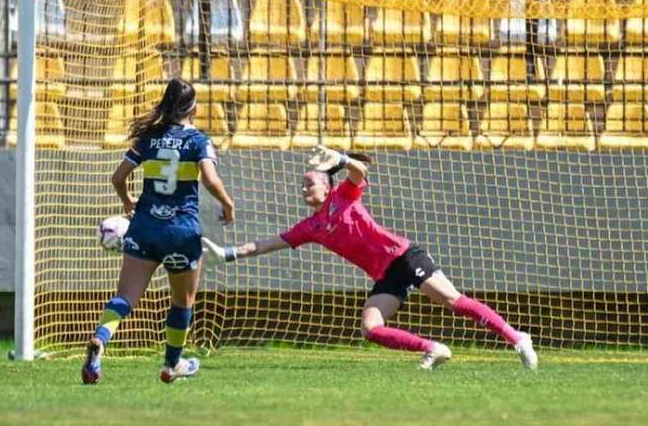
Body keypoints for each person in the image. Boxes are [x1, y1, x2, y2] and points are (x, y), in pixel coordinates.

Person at [203, 145, 537, 370]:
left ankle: (517, 338)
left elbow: (359, 172)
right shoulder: (311, 226)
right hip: (385, 274)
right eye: (302, 186)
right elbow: (265, 244)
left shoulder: (343, 195)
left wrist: (342, 158)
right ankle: (434, 348)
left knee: (452, 300)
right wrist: (226, 254)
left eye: (309, 183)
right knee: (370, 327)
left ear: (326, 184)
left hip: (405, 256)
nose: (303, 189)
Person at [82, 78, 235, 384]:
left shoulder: (148, 138)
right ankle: (171, 365)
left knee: (125, 297)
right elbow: (209, 178)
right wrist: (228, 204)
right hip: (181, 230)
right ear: (193, 107)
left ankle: (101, 337)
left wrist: (128, 202)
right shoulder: (198, 140)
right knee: (182, 302)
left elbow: (117, 177)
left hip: (144, 228)